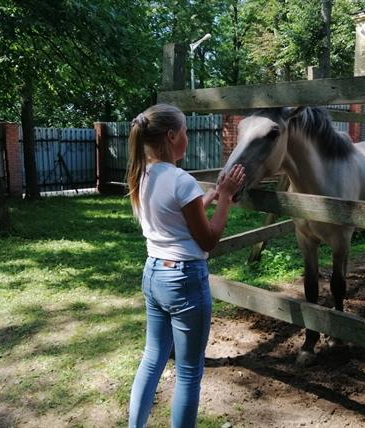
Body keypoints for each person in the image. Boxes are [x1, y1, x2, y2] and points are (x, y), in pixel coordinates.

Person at [126, 103, 245, 428]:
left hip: (153, 274)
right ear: (172, 135)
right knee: (189, 373)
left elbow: (177, 217)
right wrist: (225, 199)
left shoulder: (141, 175)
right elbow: (207, 239)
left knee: (152, 358)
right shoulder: (181, 180)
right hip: (184, 281)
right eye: (187, 132)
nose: (188, 139)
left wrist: (212, 194)